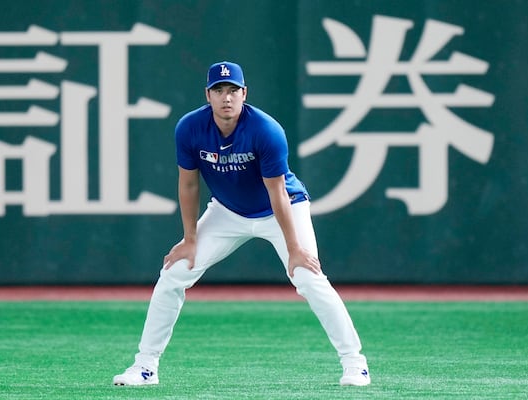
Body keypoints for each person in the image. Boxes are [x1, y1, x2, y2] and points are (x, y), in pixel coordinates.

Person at [113, 61, 371, 387]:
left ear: (244, 93)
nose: (227, 97)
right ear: (208, 95)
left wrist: (294, 250)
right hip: (228, 211)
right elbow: (189, 185)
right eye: (219, 90)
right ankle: (145, 366)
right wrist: (189, 238)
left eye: (233, 90)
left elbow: (276, 192)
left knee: (307, 276)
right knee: (173, 274)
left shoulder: (266, 130)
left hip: (282, 209)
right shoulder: (190, 128)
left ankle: (355, 363)